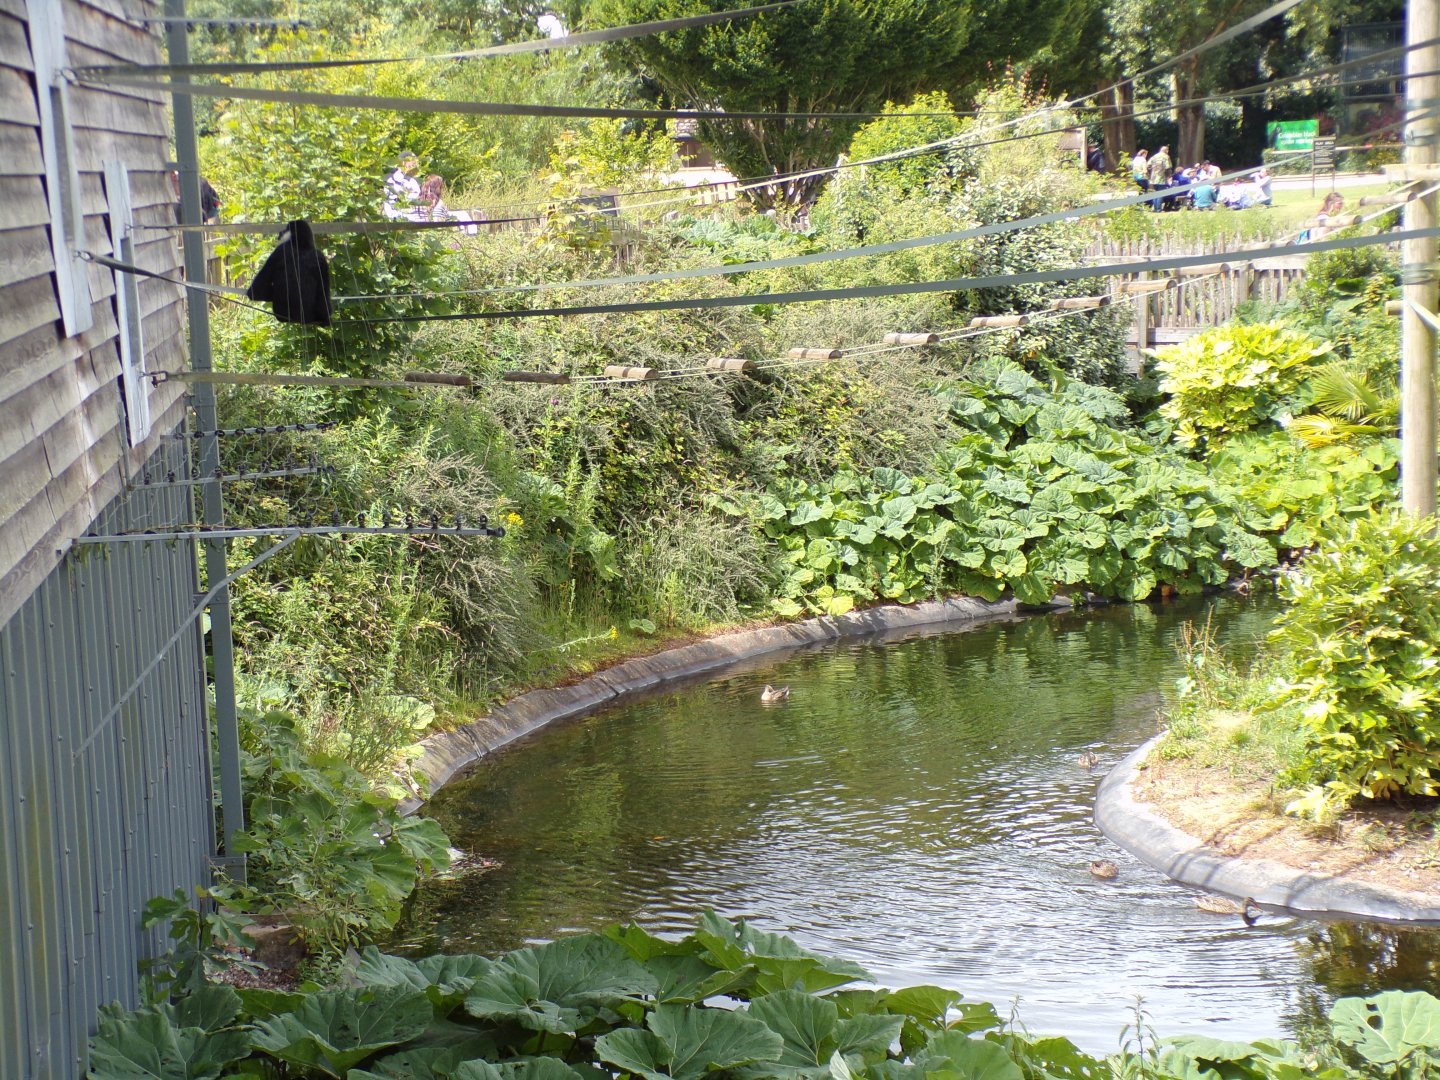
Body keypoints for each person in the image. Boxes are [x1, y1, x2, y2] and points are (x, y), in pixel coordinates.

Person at [384, 151, 422, 219]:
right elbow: (390, 203)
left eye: (414, 164)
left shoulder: (412, 180)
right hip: (400, 218)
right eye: (412, 164)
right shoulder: (393, 180)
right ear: (403, 163)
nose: (414, 166)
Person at [1146, 145, 1172, 210]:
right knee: (1160, 193)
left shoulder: (1154, 156)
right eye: (1167, 150)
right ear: (1166, 150)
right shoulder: (1166, 156)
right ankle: (1158, 209)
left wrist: (1152, 171)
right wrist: (1169, 176)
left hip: (1153, 178)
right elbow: (1168, 167)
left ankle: (1155, 208)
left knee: (1155, 193)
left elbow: (1148, 165)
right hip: (1161, 178)